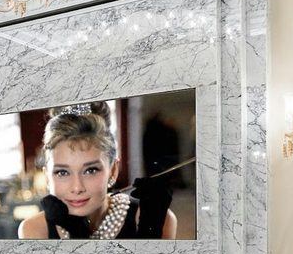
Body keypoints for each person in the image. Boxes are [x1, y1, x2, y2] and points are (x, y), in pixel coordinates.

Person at [17, 102, 178, 240]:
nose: (77, 188)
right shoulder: (33, 230)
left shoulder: (155, 219)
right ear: (47, 177)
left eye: (90, 170)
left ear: (113, 171)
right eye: (62, 172)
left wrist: (150, 235)